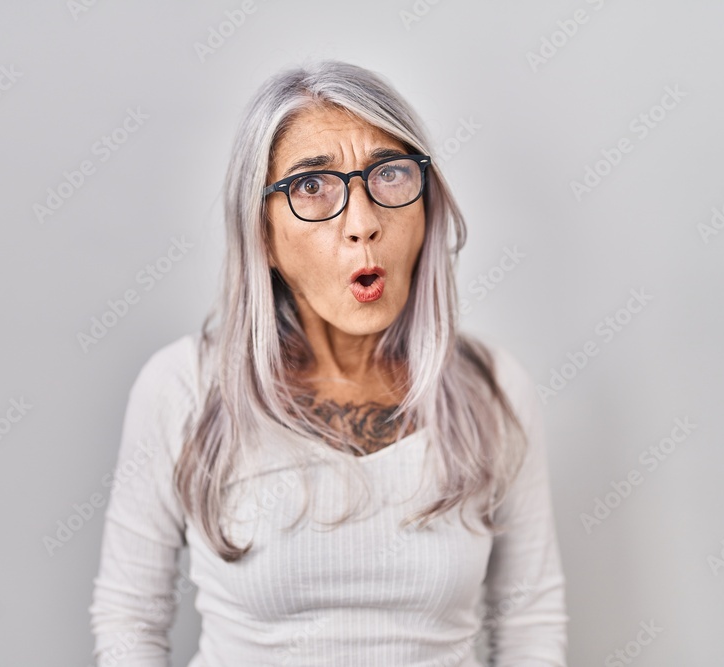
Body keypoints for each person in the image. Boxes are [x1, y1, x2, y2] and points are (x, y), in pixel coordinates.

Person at [89, 59, 568, 666]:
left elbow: (530, 621)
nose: (363, 224)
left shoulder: (491, 388)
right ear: (261, 233)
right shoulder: (183, 387)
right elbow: (130, 618)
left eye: (389, 175)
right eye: (311, 187)